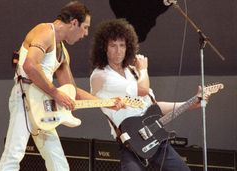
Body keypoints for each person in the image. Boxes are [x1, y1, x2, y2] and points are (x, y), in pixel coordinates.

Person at [0, 1, 123, 171]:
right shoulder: (45, 31)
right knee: (14, 154)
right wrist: (56, 93)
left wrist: (107, 102)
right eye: (85, 27)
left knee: (58, 163)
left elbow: (72, 91)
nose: (85, 33)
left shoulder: (63, 52)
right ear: (74, 23)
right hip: (25, 97)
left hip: (43, 105)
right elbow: (30, 66)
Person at [89, 19, 210, 171]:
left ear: (128, 47)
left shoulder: (132, 71)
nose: (118, 50)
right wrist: (144, 69)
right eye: (113, 45)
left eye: (122, 45)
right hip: (130, 143)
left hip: (155, 137)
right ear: (104, 48)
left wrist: (190, 103)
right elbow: (143, 90)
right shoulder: (101, 75)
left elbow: (154, 106)